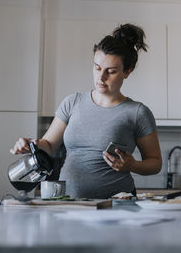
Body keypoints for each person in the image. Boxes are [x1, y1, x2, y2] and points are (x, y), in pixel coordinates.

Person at [10, 23, 162, 199]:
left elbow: (155, 163)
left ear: (127, 72)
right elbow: (49, 145)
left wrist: (132, 165)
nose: (101, 77)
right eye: (97, 67)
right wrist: (31, 144)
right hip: (68, 201)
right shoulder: (72, 102)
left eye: (111, 71)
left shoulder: (137, 113)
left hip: (117, 206)